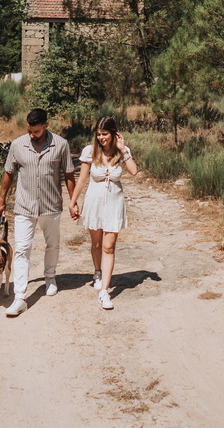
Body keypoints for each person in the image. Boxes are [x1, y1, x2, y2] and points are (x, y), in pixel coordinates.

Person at [0, 108, 75, 317]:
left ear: (46, 126)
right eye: (30, 131)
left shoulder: (61, 144)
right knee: (22, 249)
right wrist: (1, 199)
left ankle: (50, 277)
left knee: (52, 244)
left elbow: (68, 173)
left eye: (37, 132)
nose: (32, 135)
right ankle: (20, 297)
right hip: (24, 206)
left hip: (51, 205)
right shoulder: (17, 145)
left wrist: (73, 201)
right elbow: (9, 172)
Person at [69, 115, 139, 310]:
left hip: (114, 203)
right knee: (97, 244)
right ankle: (97, 272)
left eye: (105, 134)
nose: (101, 138)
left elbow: (134, 171)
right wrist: (73, 202)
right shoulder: (89, 152)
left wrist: (124, 150)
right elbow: (82, 179)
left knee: (109, 247)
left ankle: (104, 292)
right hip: (94, 202)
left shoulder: (122, 151)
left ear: (114, 133)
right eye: (98, 134)